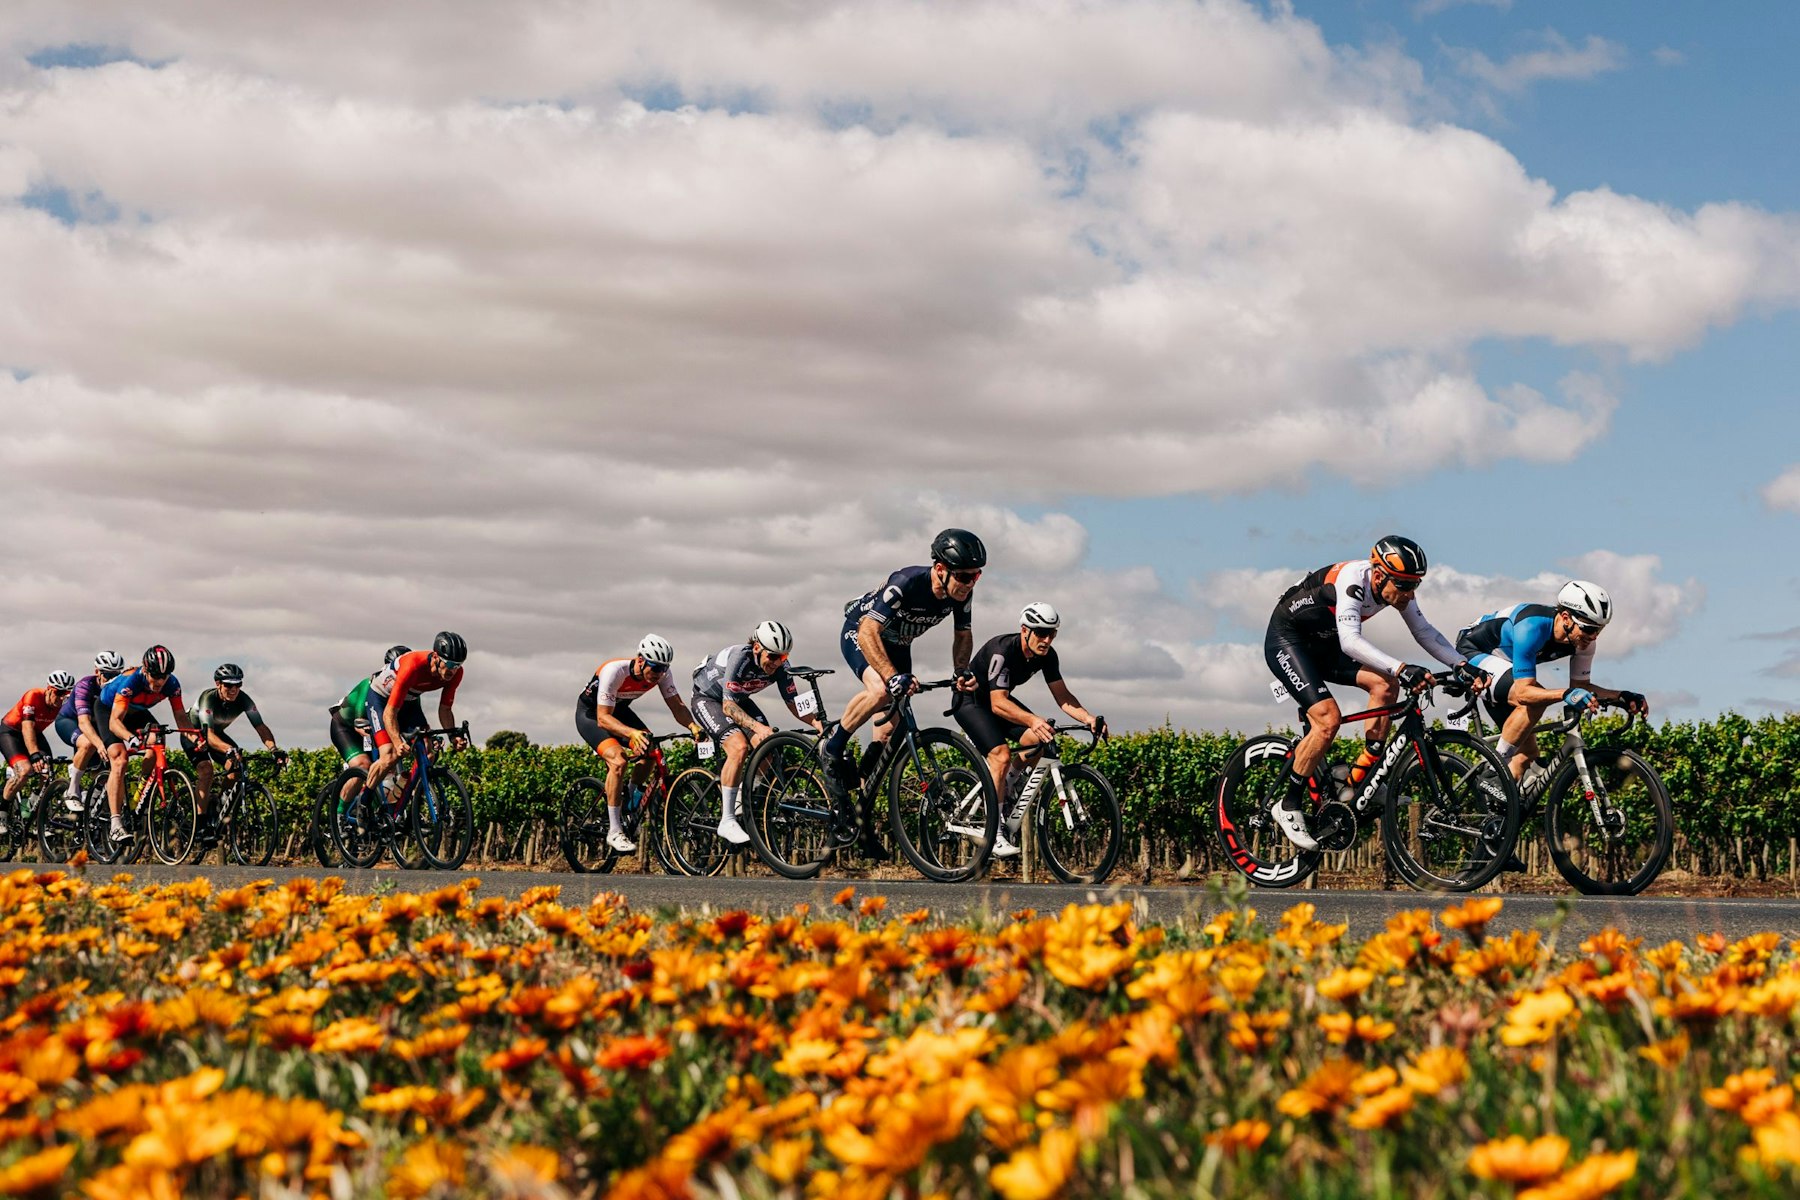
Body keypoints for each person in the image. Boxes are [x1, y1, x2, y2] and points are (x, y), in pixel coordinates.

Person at [1262, 536, 1475, 851]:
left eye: (1415, 585)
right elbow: (1350, 641)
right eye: (1404, 585)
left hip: (1323, 645)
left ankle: (1361, 778)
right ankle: (1288, 804)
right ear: (1378, 575)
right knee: (1327, 720)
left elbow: (1423, 631)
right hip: (1289, 641)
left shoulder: (1395, 589)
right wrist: (1402, 668)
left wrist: (1462, 665)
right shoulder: (1352, 580)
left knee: (1385, 686)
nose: (1410, 594)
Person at [818, 529, 985, 807]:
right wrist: (892, 676)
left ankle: (860, 805)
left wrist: (961, 672)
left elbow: (963, 635)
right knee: (881, 690)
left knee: (887, 734)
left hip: (898, 646)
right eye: (964, 577)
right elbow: (868, 631)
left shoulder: (961, 595)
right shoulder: (906, 582)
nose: (970, 583)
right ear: (940, 569)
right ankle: (832, 749)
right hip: (862, 634)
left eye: (976, 576)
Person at [1457, 580, 1648, 792]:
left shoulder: (1583, 642)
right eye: (1589, 628)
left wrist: (1621, 696)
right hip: (1472, 654)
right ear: (1566, 618)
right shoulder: (1532, 627)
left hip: (1507, 667)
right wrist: (1565, 693)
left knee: (1527, 755)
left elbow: (1581, 686)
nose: (1593, 637)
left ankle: (1503, 809)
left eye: (1599, 630)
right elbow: (1523, 693)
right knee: (1535, 700)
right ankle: (1493, 772)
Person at [952, 603, 1105, 858]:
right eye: (1041, 633)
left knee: (1039, 740)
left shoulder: (1048, 655)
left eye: (1052, 634)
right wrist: (1033, 719)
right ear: (1025, 630)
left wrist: (1088, 717)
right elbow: (997, 703)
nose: (1047, 640)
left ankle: (1007, 786)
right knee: (1001, 755)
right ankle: (994, 833)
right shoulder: (1002, 651)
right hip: (972, 703)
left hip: (998, 703)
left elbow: (1063, 696)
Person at [690, 621, 822, 845]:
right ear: (757, 648)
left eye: (783, 656)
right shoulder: (740, 658)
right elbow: (728, 707)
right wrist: (758, 727)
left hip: (738, 700)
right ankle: (727, 820)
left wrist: (817, 723)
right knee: (738, 747)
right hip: (708, 699)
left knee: (766, 750)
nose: (777, 662)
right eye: (773, 656)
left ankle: (741, 796)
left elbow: (793, 701)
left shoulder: (781, 666)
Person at [576, 635, 697, 853]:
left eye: (664, 669)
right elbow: (603, 718)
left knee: (651, 749)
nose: (659, 674)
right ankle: (614, 831)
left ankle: (629, 801)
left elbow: (677, 706)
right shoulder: (614, 671)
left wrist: (693, 726)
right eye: (655, 668)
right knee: (619, 761)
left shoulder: (662, 674)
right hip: (592, 715)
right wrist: (632, 733)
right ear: (640, 660)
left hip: (619, 711)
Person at [100, 646, 192, 845]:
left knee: (158, 741)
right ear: (145, 670)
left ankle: (140, 789)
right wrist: (130, 738)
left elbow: (181, 717)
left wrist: (196, 738)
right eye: (155, 676)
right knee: (120, 759)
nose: (160, 681)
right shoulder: (131, 681)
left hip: (136, 711)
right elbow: (114, 722)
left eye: (164, 676)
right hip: (109, 711)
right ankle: (115, 824)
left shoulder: (172, 684)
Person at [186, 663, 284, 844]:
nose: (234, 689)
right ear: (218, 684)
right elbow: (209, 736)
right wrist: (229, 749)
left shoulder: (245, 700)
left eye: (238, 684)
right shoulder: (208, 698)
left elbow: (260, 727)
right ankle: (199, 825)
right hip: (194, 734)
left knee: (237, 766)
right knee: (206, 770)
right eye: (229, 685)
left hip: (216, 734)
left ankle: (219, 804)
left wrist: (274, 749)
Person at [364, 633, 470, 797]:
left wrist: (452, 736)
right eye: (449, 664)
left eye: (458, 665)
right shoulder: (412, 665)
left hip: (409, 701)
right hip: (381, 699)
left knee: (428, 751)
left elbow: (445, 709)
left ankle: (404, 796)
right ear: (436, 657)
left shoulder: (456, 674)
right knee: (390, 755)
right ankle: (363, 802)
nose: (453, 670)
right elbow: (390, 713)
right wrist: (398, 742)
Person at [0, 671, 75, 832]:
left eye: (66, 695)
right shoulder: (33, 696)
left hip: (35, 733)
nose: (61, 698)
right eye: (59, 693)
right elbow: (27, 727)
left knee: (48, 773)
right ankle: (2, 814)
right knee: (24, 771)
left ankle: (33, 808)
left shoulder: (63, 705)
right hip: (11, 733)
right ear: (49, 689)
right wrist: (34, 755)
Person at [54, 651, 126, 810]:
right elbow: (84, 722)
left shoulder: (119, 688)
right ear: (97, 672)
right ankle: (72, 790)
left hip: (96, 724)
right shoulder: (85, 685)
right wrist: (99, 745)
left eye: (116, 675)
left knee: (106, 768)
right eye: (108, 675)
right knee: (89, 744)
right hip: (70, 721)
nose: (112, 680)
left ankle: (90, 806)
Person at [328, 645, 410, 772]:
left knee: (389, 764)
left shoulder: (411, 689)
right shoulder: (371, 684)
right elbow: (360, 720)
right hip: (347, 726)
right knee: (363, 765)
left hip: (373, 725)